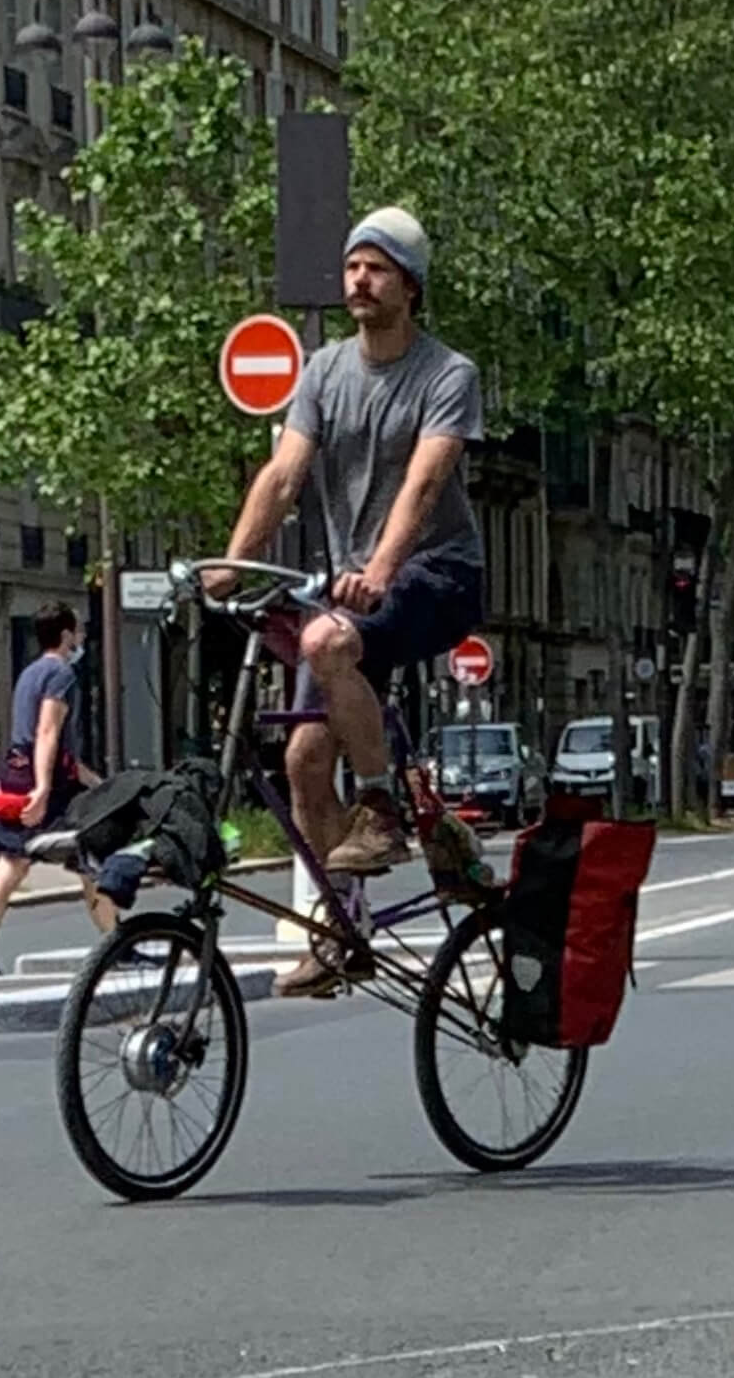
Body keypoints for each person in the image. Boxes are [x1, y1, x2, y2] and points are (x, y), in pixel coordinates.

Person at [206, 207, 485, 997]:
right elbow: (285, 474)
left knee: (330, 642)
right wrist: (231, 563)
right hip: (349, 590)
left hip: (435, 574)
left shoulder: (445, 374)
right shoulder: (324, 372)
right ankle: (343, 927)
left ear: (411, 286)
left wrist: (381, 566)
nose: (359, 280)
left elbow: (424, 484)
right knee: (299, 760)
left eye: (378, 268)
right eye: (352, 266)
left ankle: (380, 805)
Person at [0, 601, 112, 977]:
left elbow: (43, 741)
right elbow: (47, 732)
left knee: (11, 865)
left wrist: (97, 783)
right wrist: (45, 787)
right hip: (45, 781)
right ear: (65, 636)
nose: (81, 637)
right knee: (90, 856)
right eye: (78, 631)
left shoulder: (29, 673)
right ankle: (117, 943)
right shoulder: (61, 674)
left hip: (16, 773)